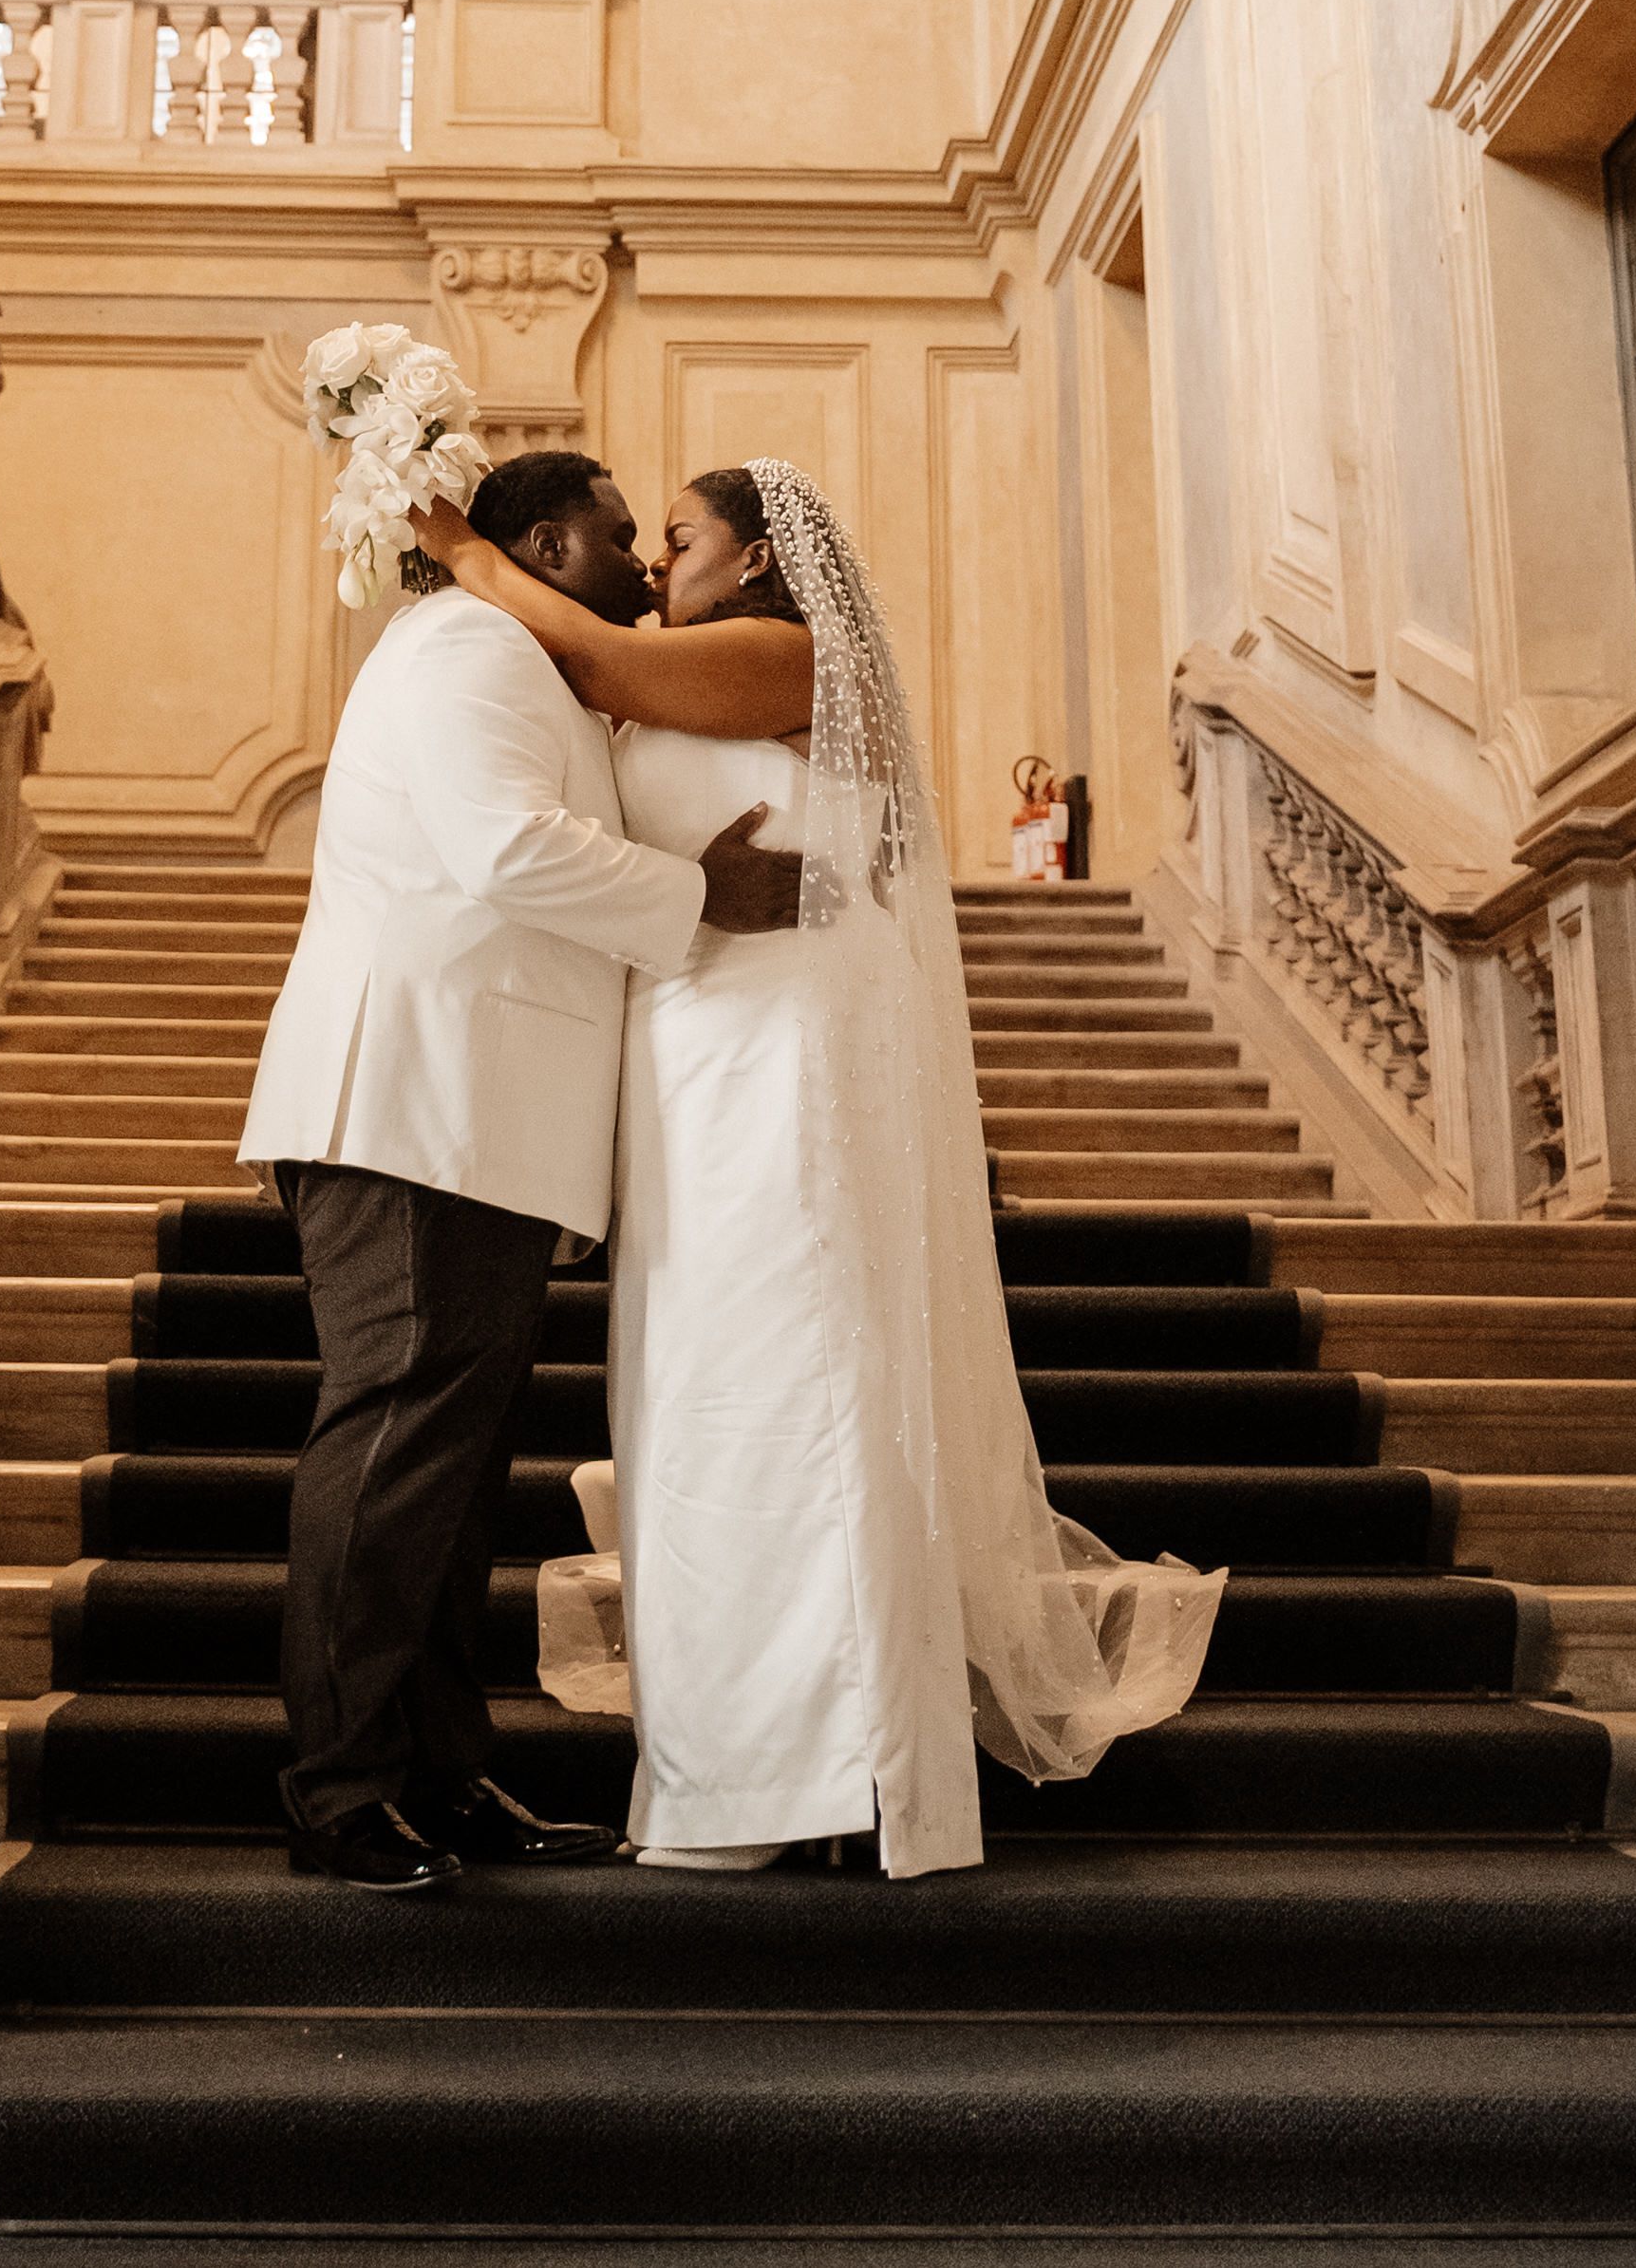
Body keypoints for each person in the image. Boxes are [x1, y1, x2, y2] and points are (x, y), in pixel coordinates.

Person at [412, 457, 1224, 1879]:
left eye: (680, 538)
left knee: (785, 1384)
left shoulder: (782, 656)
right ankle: (730, 1761)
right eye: (648, 541)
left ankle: (837, 1763)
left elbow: (589, 647)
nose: (658, 564)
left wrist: (448, 538)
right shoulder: (688, 666)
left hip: (772, 1062)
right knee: (692, 1398)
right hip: (684, 1061)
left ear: (763, 557)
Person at [238, 447, 803, 1892]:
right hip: (413, 1105)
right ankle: (339, 1789)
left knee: (455, 1470)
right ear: (546, 545)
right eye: (620, 540)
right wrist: (701, 894)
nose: (636, 569)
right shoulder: (469, 647)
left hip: (477, 1122)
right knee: (394, 1443)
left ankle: (443, 1771)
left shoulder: (524, 655)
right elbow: (505, 847)